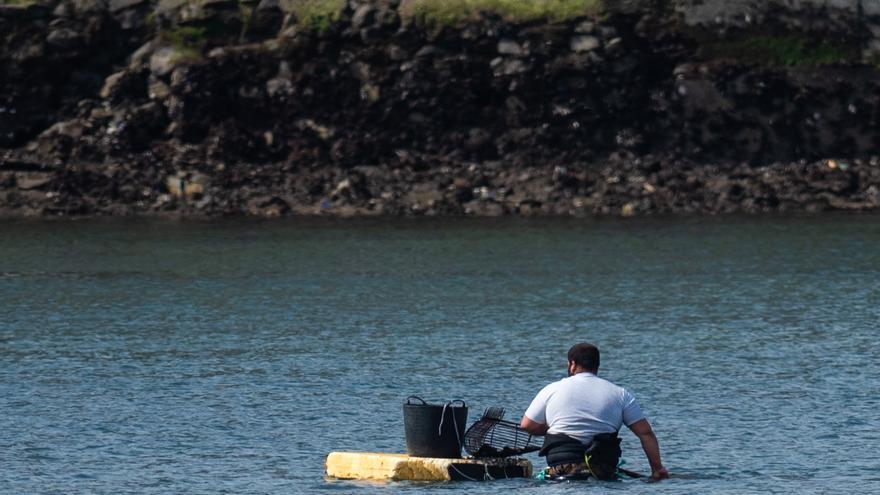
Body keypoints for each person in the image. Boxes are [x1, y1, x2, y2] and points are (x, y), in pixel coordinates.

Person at [520, 343, 669, 481]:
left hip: (562, 467)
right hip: (603, 468)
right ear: (597, 366)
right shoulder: (620, 393)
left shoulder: (552, 389)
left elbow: (527, 425)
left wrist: (551, 429)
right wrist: (657, 468)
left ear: (572, 364)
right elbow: (645, 433)